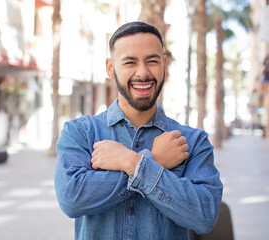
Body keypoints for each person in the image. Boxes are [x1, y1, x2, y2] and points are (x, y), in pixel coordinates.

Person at [55, 21, 223, 240]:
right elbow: (72, 199)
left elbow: (204, 215)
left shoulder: (193, 142)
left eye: (152, 61)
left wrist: (133, 163)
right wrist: (153, 160)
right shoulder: (80, 133)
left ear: (164, 65)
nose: (142, 73)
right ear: (110, 68)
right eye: (129, 62)